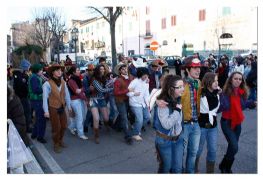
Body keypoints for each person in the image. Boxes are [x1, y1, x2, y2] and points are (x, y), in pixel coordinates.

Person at [218, 71, 256, 173]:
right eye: (236, 78)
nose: (238, 81)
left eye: (240, 79)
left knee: (232, 146)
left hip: (237, 122)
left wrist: (253, 103)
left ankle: (225, 167)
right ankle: (224, 166)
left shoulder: (241, 92)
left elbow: (242, 105)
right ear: (231, 79)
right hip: (227, 123)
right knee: (234, 146)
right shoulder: (224, 92)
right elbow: (223, 106)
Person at [153, 75, 185, 173]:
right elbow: (167, 124)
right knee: (166, 167)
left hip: (178, 139)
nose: (182, 89)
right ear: (171, 88)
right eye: (179, 87)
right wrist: (177, 111)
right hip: (165, 140)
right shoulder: (163, 103)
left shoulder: (177, 98)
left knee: (178, 168)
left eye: (182, 86)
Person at [42, 64, 72, 153]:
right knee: (56, 127)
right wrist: (46, 111)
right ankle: (56, 143)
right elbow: (44, 98)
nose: (60, 72)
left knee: (64, 126)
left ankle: (60, 140)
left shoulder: (63, 82)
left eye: (60, 70)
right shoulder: (47, 84)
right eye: (57, 70)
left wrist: (69, 106)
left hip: (62, 106)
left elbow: (66, 95)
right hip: (53, 107)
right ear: (52, 73)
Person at [195, 72, 221, 173]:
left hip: (213, 127)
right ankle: (194, 168)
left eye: (217, 80)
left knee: (213, 150)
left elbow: (216, 109)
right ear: (208, 81)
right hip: (201, 126)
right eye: (214, 80)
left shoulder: (216, 93)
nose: (216, 82)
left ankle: (210, 172)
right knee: (198, 150)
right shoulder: (200, 93)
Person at [90, 64, 113, 144]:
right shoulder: (94, 79)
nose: (102, 70)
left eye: (103, 69)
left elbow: (105, 86)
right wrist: (112, 88)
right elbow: (101, 90)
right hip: (94, 100)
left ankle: (106, 126)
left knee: (106, 118)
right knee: (96, 118)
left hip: (102, 100)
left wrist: (111, 82)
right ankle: (96, 136)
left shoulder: (104, 78)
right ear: (97, 70)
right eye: (101, 69)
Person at [127, 67, 151, 141]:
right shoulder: (134, 82)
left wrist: (148, 103)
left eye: (147, 75)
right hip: (135, 103)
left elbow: (146, 94)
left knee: (148, 117)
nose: (146, 77)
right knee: (140, 120)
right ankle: (135, 134)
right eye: (145, 75)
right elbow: (127, 92)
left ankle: (136, 126)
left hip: (143, 103)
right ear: (140, 74)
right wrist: (134, 93)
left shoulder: (146, 82)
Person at [114, 64, 134, 144]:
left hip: (129, 100)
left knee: (123, 115)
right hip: (120, 100)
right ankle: (128, 136)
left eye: (126, 68)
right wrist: (127, 90)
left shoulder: (130, 78)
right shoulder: (118, 80)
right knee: (124, 117)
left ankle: (116, 126)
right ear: (120, 71)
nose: (125, 70)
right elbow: (116, 92)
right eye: (123, 69)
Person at [67, 66, 89, 140]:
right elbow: (77, 91)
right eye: (77, 70)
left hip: (80, 99)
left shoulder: (78, 78)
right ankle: (81, 134)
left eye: (79, 70)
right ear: (73, 72)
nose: (79, 71)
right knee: (80, 117)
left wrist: (82, 90)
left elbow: (80, 90)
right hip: (75, 100)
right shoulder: (71, 80)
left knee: (82, 117)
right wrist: (83, 90)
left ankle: (71, 127)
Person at [28, 64, 47, 143]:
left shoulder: (35, 76)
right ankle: (40, 137)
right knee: (41, 119)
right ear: (37, 71)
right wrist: (44, 87)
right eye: (41, 70)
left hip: (36, 100)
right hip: (37, 100)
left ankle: (34, 134)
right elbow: (36, 89)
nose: (42, 71)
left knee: (38, 118)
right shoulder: (34, 78)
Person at [12, 59, 32, 133]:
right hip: (23, 97)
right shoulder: (20, 76)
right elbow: (21, 86)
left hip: (22, 96)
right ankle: (27, 127)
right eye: (28, 66)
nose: (28, 68)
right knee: (26, 112)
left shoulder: (21, 75)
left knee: (26, 112)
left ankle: (26, 126)